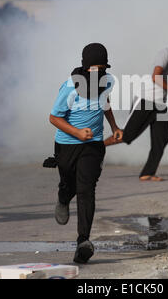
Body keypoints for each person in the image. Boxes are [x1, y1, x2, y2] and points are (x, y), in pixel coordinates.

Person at [49, 43, 123, 264]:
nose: (98, 72)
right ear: (85, 67)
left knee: (86, 189)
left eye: (102, 68)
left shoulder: (106, 81)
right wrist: (78, 133)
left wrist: (114, 127)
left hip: (93, 145)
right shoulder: (70, 87)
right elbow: (54, 118)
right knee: (69, 185)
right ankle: (63, 198)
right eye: (94, 68)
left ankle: (83, 241)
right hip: (67, 146)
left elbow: (105, 103)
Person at [105, 29, 168, 181]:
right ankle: (93, 148)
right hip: (146, 101)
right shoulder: (165, 54)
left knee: (162, 137)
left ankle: (148, 172)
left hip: (160, 104)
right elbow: (155, 77)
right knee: (127, 136)